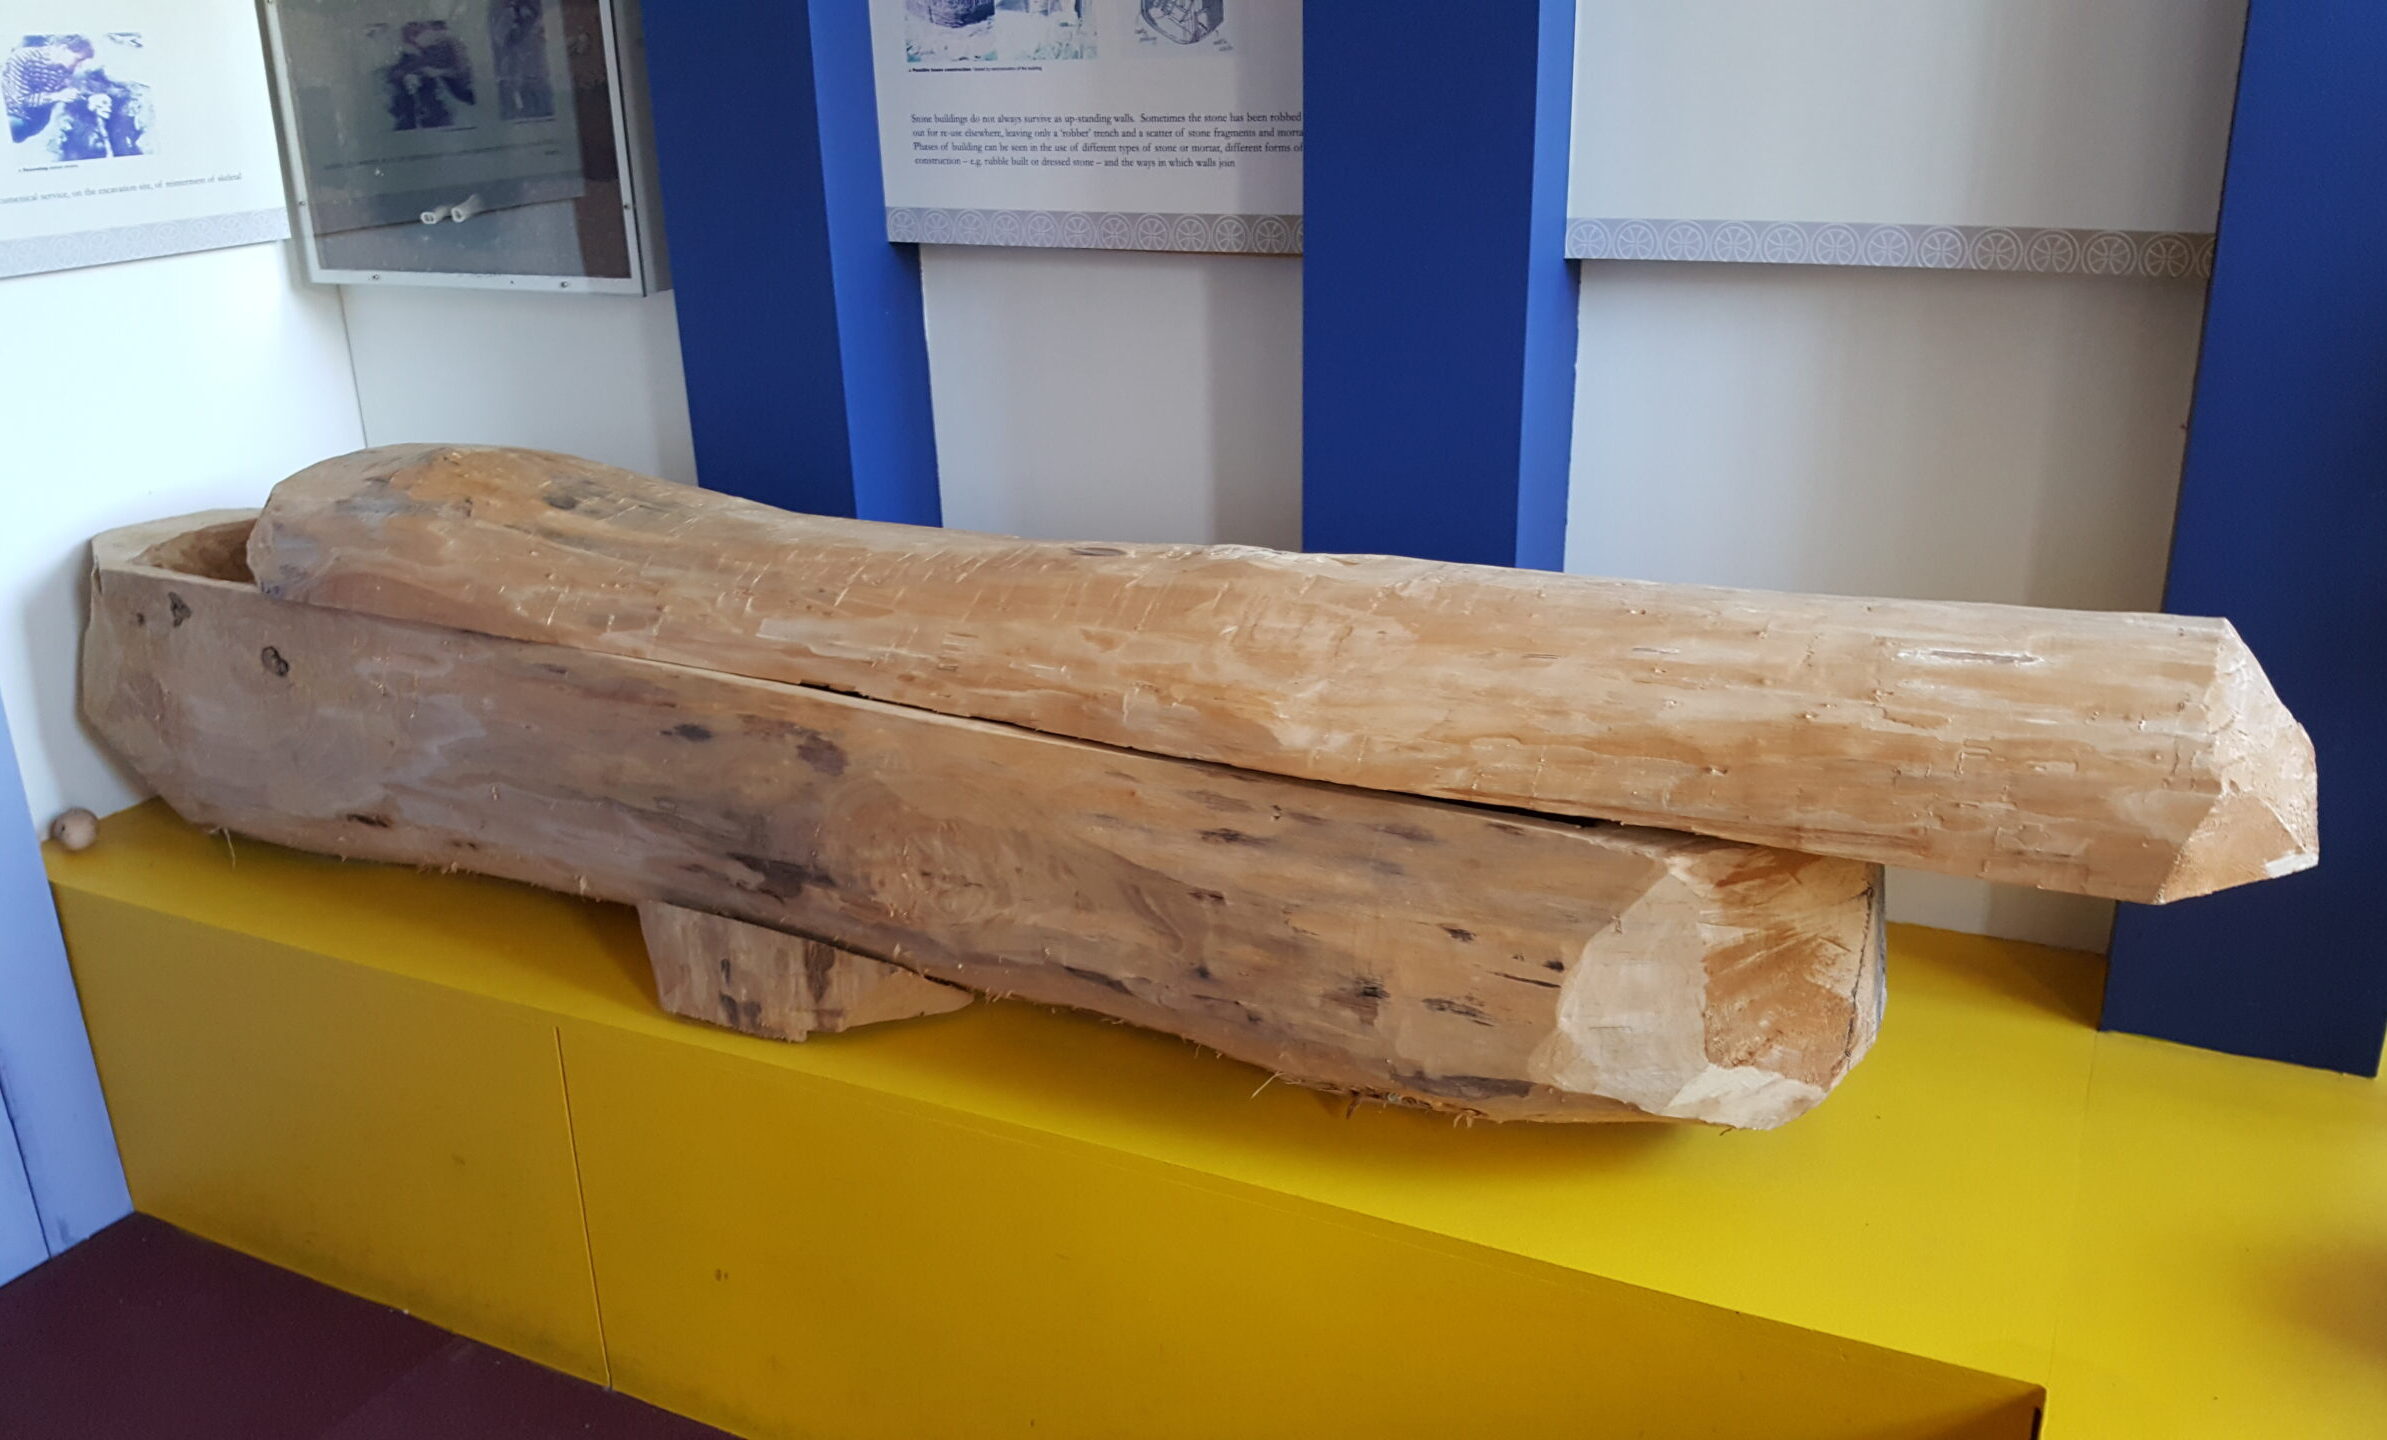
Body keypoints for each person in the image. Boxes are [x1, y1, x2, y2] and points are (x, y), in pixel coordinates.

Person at [5, 34, 95, 145]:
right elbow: (20, 100)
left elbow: (75, 94)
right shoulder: (23, 57)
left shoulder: (66, 68)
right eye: (78, 60)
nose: (80, 66)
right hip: (13, 117)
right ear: (63, 49)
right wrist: (58, 96)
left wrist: (90, 98)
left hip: (36, 122)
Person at [384, 20, 475, 131]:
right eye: (411, 34)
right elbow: (394, 76)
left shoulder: (445, 48)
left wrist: (440, 72)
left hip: (449, 113)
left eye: (417, 32)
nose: (414, 38)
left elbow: (462, 77)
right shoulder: (407, 60)